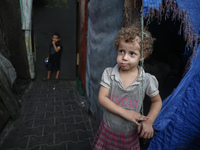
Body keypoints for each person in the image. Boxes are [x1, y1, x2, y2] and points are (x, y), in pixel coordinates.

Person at [93, 24, 162, 150]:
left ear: (142, 56)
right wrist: (126, 113)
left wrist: (149, 121)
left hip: (129, 135)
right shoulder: (109, 73)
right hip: (108, 130)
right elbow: (102, 98)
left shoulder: (146, 80)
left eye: (132, 54)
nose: (124, 57)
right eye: (122, 51)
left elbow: (157, 101)